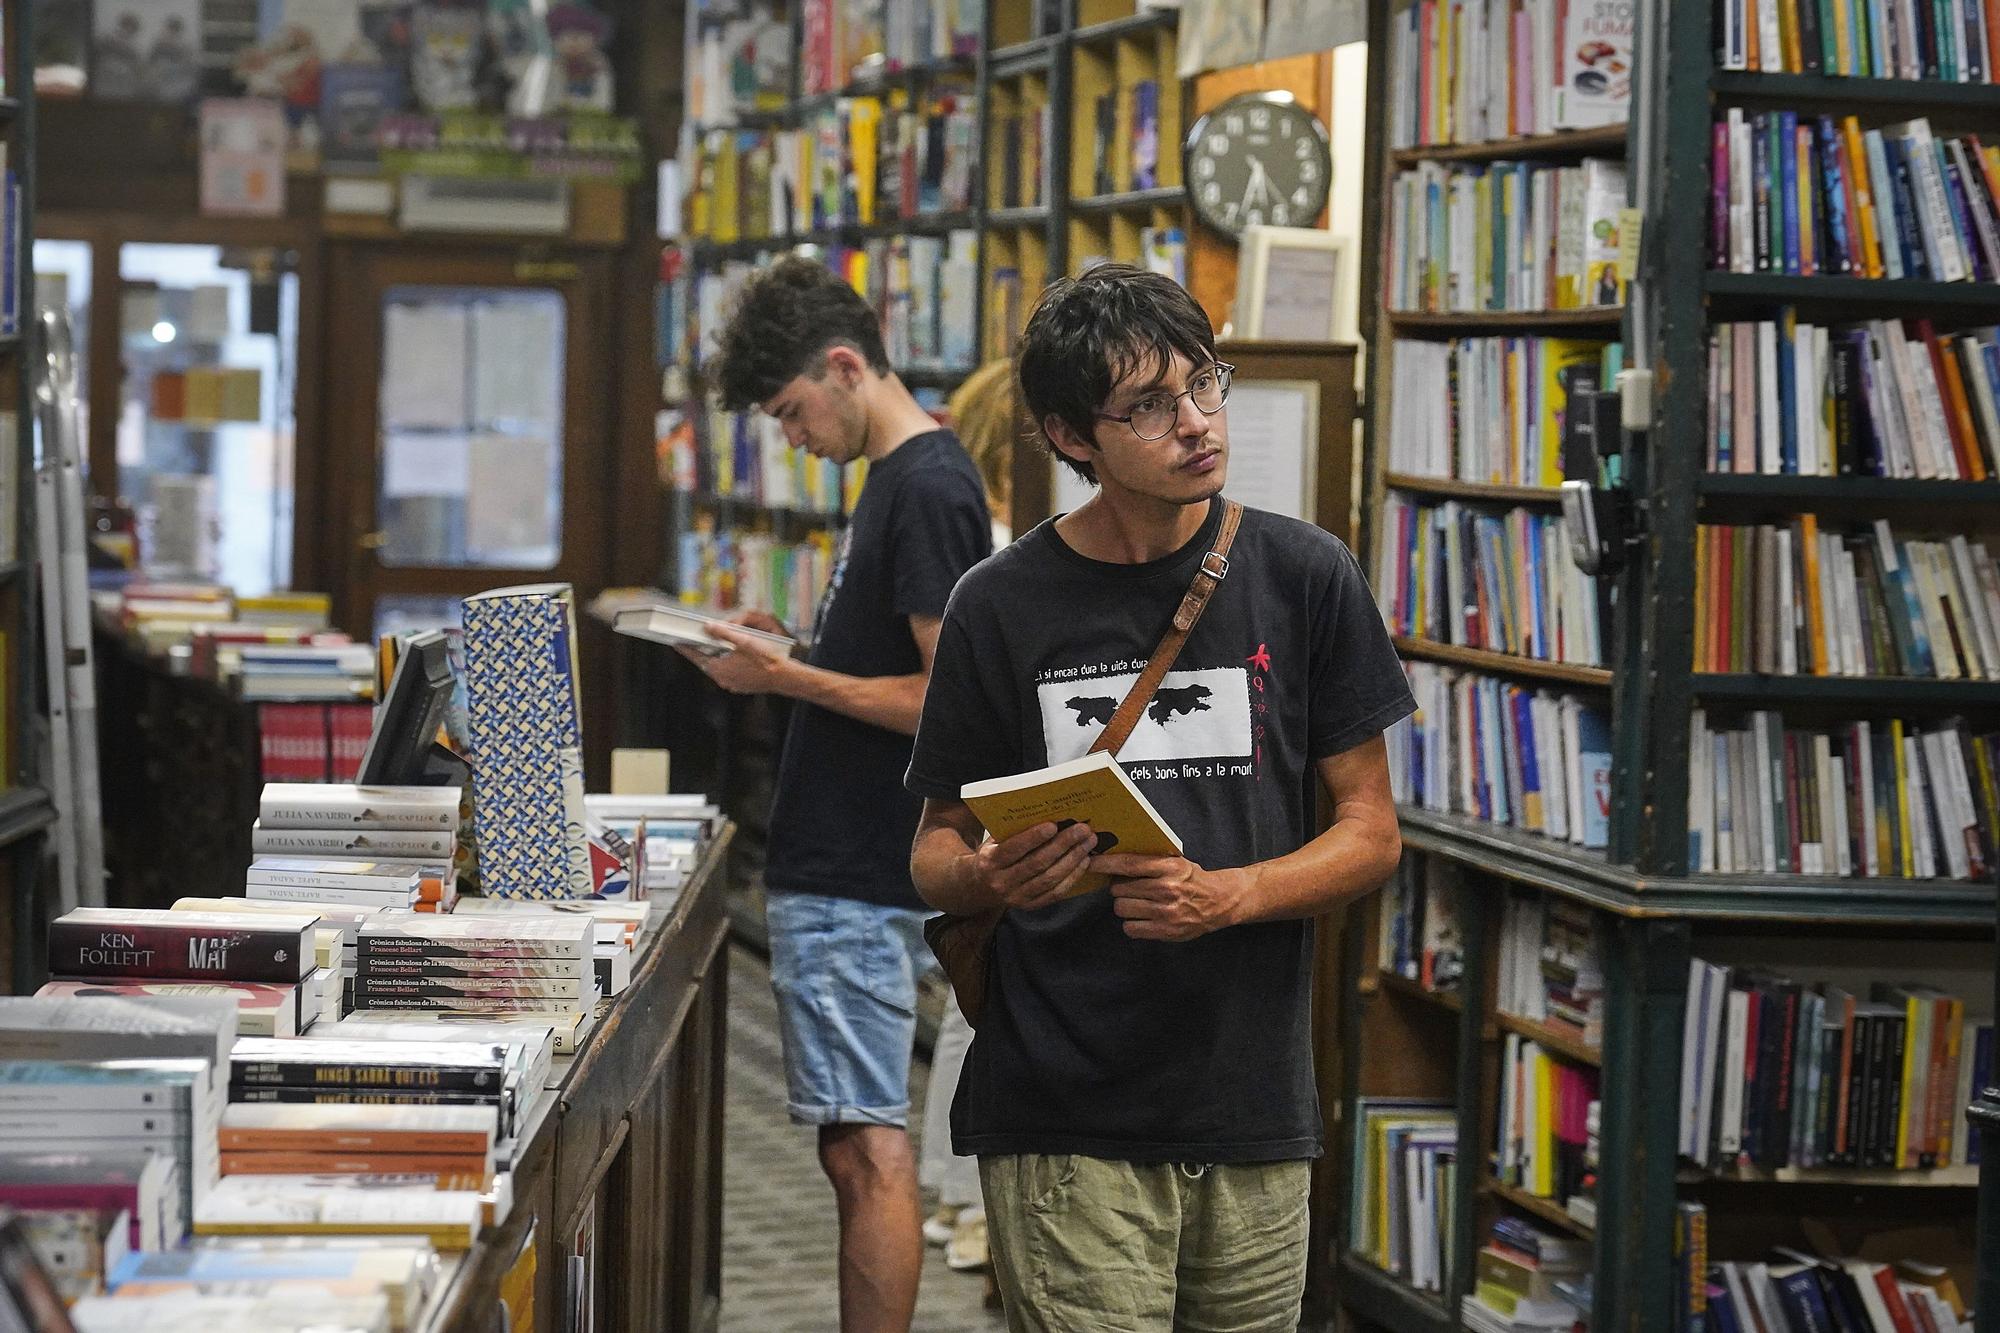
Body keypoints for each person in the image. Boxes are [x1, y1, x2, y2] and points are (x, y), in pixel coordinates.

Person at [906, 264, 1415, 1330]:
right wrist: (995, 870)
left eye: (1202, 385)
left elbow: (1369, 833)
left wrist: (1226, 897)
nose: (1194, 423)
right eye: (1147, 405)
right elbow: (933, 853)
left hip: (1251, 1099)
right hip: (1061, 1098)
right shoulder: (997, 606)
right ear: (1069, 436)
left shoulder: (1305, 574)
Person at [691, 255, 991, 1333]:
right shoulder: (899, 484)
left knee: (866, 1145)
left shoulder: (926, 486)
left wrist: (787, 678)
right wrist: (802, 651)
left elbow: (942, 704)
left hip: (863, 870)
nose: (791, 437)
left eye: (788, 410)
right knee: (852, 1139)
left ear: (843, 365)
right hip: (849, 860)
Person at [918, 357, 1027, 1279]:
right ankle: (965, 1199)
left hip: (974, 800)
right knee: (981, 999)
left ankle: (956, 1196)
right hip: (1001, 800)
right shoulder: (1005, 556)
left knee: (970, 999)